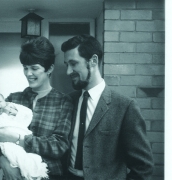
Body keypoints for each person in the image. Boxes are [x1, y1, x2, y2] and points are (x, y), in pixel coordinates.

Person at [60, 34, 154, 180]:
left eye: (73, 64)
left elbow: (143, 167)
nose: (68, 71)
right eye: (67, 65)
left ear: (93, 61)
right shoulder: (68, 101)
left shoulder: (125, 107)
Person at [0, 36, 73, 180]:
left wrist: (17, 139)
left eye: (34, 68)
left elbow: (58, 146)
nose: (28, 73)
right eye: (25, 68)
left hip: (47, 175)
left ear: (50, 69)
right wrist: (5, 164)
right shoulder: (13, 99)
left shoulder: (63, 102)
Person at [0, 92, 48, 180]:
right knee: (13, 154)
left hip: (48, 165)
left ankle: (29, 172)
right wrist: (5, 165)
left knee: (30, 160)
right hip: (6, 148)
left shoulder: (63, 100)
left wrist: (16, 113)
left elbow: (27, 115)